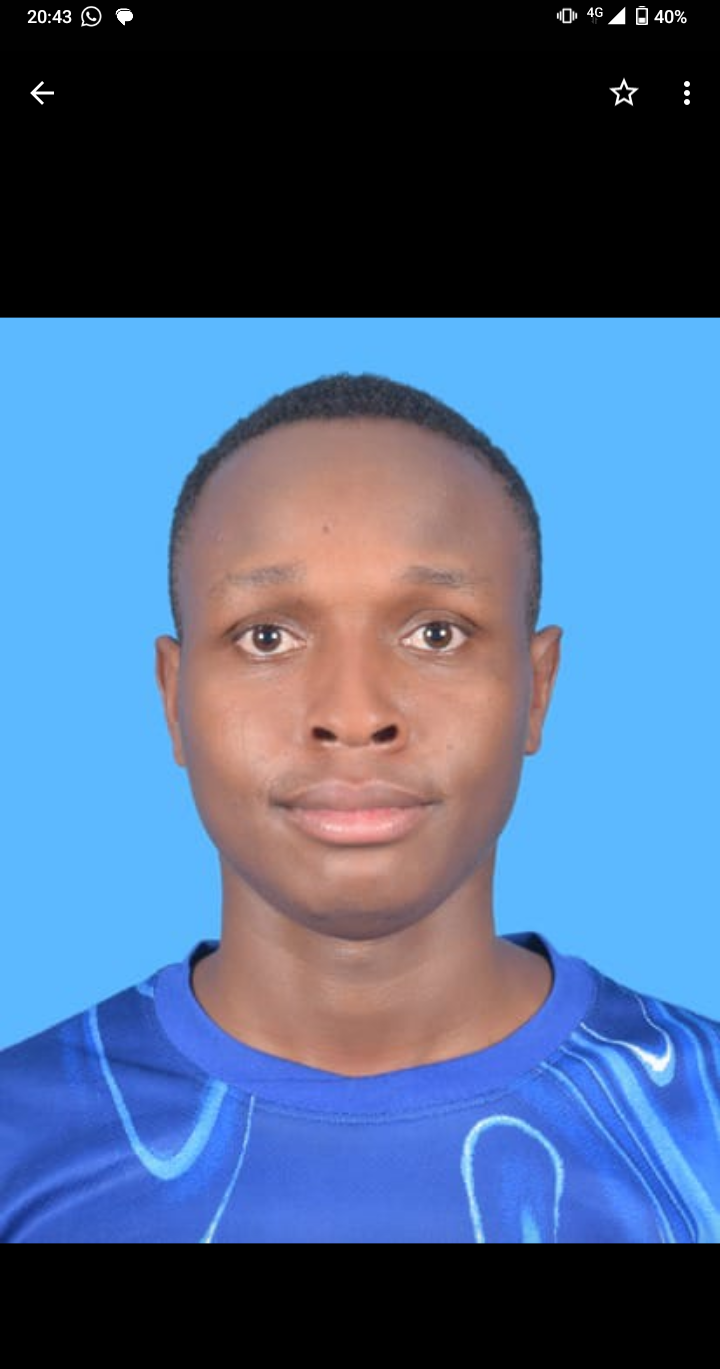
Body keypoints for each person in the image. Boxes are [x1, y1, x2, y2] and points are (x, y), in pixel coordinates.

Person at [2, 371, 718, 1243]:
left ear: (537, 689)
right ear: (173, 698)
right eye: (268, 636)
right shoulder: (20, 1139)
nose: (352, 713)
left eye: (436, 634)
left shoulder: (699, 1126)